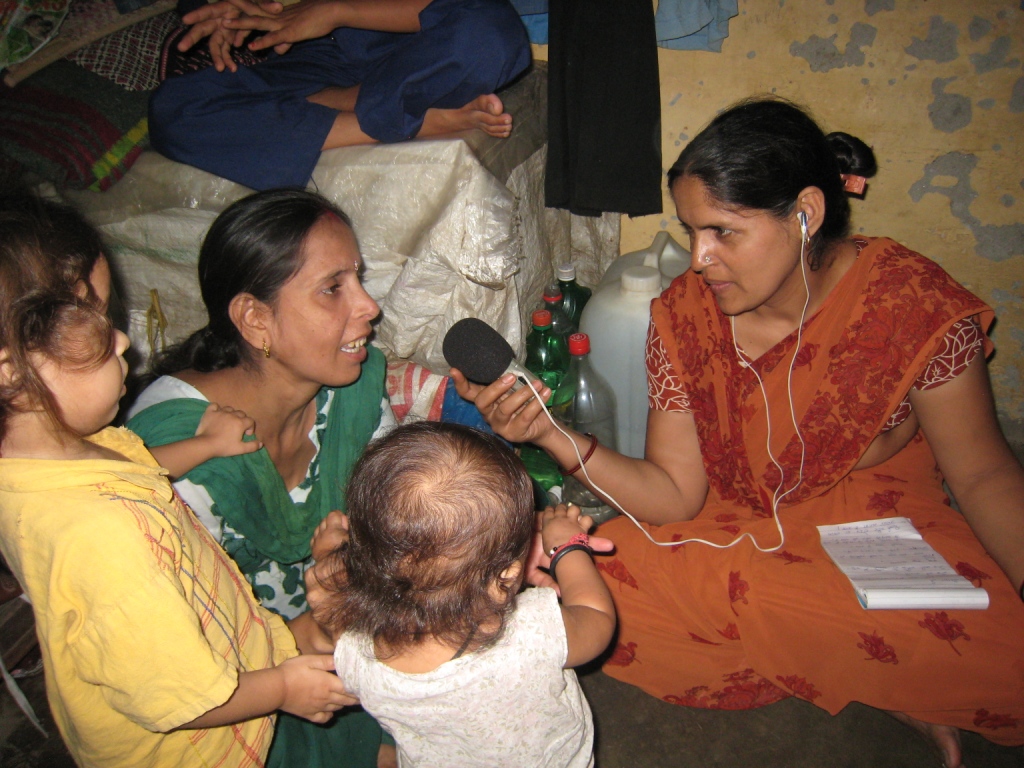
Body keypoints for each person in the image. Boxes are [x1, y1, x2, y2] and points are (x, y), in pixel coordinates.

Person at [451, 97, 1024, 768]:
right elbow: (674, 497)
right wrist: (553, 437)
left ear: (805, 215)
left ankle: (865, 668)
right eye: (692, 231)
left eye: (724, 231)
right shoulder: (685, 316)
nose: (698, 259)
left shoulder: (910, 304)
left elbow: (983, 474)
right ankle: (875, 675)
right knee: (593, 584)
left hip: (875, 513)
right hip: (731, 516)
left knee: (1000, 655)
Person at [0, 199, 352, 767]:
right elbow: (182, 698)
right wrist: (284, 689)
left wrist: (204, 446)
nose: (121, 342)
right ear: (9, 370)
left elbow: (135, 464)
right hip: (197, 748)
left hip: (221, 648)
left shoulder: (41, 460)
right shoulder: (103, 539)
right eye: (91, 325)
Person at [126, 187, 399, 768]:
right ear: (255, 319)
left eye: (359, 278)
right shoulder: (172, 462)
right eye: (334, 288)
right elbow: (173, 664)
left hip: (342, 637)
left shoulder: (354, 394)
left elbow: (389, 524)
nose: (369, 306)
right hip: (232, 698)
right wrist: (318, 627)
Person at [309, 421, 615, 767]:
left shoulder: (355, 653)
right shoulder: (528, 632)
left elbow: (337, 607)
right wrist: (567, 547)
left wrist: (328, 559)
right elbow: (597, 620)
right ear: (508, 575)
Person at [148, 0, 531, 190]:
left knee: (492, 33)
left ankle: (350, 104)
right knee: (174, 109)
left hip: (415, 46)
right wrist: (235, 13)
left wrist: (336, 10)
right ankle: (415, 118)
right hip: (313, 58)